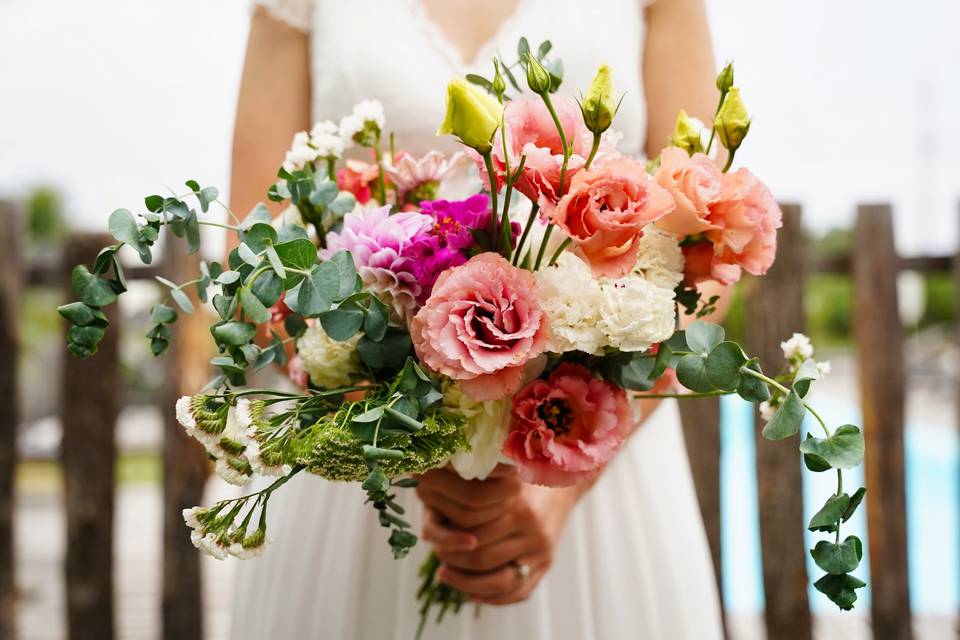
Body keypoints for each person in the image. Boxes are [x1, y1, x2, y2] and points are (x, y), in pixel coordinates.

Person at [229, 0, 725, 637]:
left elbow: (705, 247)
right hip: (361, 462)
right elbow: (254, 249)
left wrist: (564, 483)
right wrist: (410, 449)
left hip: (593, 465)